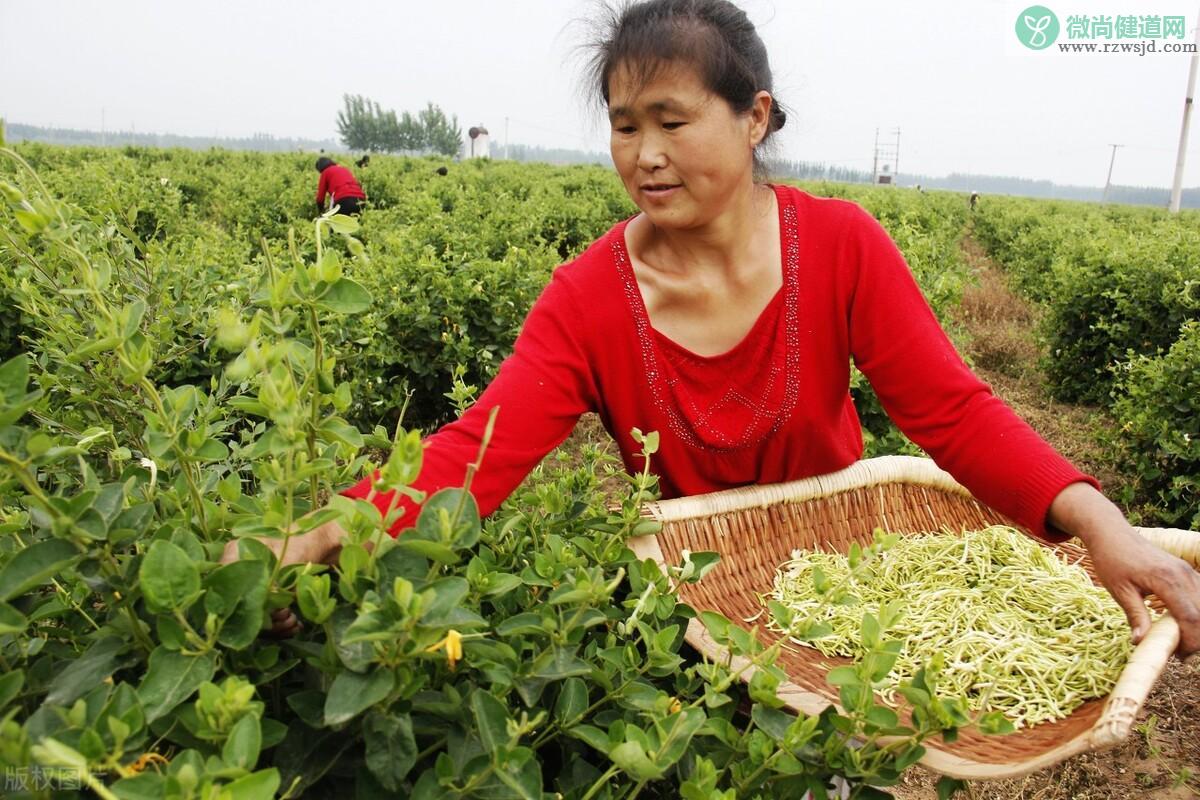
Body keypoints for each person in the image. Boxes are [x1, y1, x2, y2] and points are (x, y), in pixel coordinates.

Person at [231, 0, 1200, 659]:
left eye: (671, 119)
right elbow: (470, 455)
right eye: (622, 125)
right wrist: (309, 538)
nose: (644, 155)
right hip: (693, 609)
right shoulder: (588, 298)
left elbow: (951, 408)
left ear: (754, 118)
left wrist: (1099, 525)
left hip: (844, 601)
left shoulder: (841, 245)